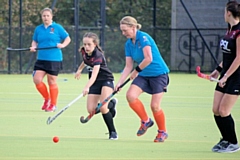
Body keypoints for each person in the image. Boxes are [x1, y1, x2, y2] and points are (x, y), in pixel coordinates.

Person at [115, 16, 170, 142]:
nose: (123, 33)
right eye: (122, 31)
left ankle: (162, 132)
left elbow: (148, 58)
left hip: (159, 74)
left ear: (133, 28)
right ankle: (146, 121)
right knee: (130, 96)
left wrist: (136, 71)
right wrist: (119, 83)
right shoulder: (128, 44)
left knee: (155, 106)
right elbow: (128, 66)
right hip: (144, 75)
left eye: (125, 30)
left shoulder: (144, 38)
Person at [75, 32, 118, 140]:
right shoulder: (84, 51)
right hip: (95, 83)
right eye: (85, 44)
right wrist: (79, 69)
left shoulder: (98, 55)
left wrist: (86, 87)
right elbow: (85, 61)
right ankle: (111, 104)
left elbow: (94, 75)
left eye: (89, 44)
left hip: (106, 80)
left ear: (95, 44)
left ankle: (112, 133)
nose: (86, 47)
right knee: (91, 110)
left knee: (103, 107)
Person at [209, 1, 240, 153]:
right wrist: (218, 70)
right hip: (225, 75)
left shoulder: (239, 32)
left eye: (224, 11)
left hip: (236, 77)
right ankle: (225, 139)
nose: (223, 14)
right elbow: (228, 56)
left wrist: (226, 76)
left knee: (224, 110)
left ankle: (233, 143)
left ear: (229, 13)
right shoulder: (230, 30)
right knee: (216, 109)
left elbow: (239, 58)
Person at [30, 8, 71, 112]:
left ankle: (53, 104)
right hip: (41, 59)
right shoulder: (38, 29)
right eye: (44, 16)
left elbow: (67, 38)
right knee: (37, 79)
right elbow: (34, 41)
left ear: (51, 16)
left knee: (51, 81)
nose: (46, 18)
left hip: (54, 59)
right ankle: (47, 99)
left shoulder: (57, 27)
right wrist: (33, 47)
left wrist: (62, 45)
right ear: (41, 17)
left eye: (48, 16)